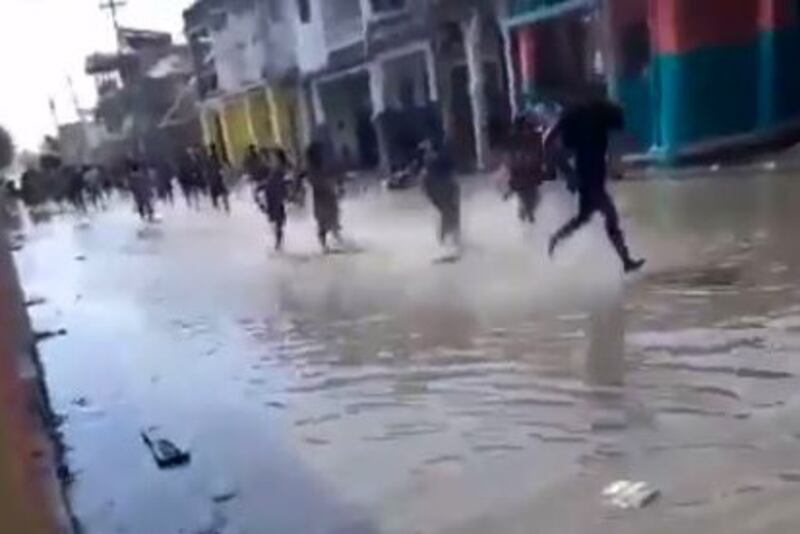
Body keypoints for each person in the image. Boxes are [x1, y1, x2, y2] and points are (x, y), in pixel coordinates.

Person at [546, 97, 645, 273]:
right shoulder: (585, 118)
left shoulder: (597, 123)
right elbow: (547, 141)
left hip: (593, 175)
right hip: (588, 176)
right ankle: (626, 261)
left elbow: (607, 148)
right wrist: (566, 171)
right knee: (610, 214)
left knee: (583, 218)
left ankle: (555, 239)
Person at [503, 114, 544, 223]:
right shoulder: (515, 139)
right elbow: (510, 159)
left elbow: (539, 154)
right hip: (522, 175)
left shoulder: (533, 138)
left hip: (529, 175)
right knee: (527, 199)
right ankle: (526, 218)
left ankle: (527, 216)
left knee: (533, 199)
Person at [421, 137, 460, 248]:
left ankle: (447, 239)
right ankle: (449, 239)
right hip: (443, 188)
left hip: (441, 188)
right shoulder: (433, 160)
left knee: (447, 212)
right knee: (449, 212)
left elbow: (425, 182)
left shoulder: (430, 160)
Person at [306, 142, 343, 252]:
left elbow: (330, 176)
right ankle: (325, 245)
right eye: (319, 152)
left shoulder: (320, 165)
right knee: (323, 223)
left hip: (328, 197)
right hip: (321, 198)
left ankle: (336, 240)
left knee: (333, 219)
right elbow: (315, 182)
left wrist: (335, 185)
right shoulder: (312, 168)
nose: (321, 154)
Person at [255, 149, 289, 250]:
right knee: (275, 220)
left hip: (277, 196)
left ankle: (278, 243)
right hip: (272, 196)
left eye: (274, 157)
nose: (272, 159)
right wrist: (261, 186)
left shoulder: (281, 169)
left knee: (278, 220)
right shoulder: (274, 169)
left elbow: (283, 181)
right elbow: (270, 181)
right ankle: (278, 241)